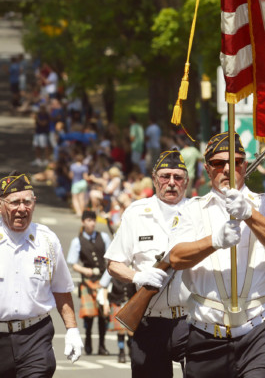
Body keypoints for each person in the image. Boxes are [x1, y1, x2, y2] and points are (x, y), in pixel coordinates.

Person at [168, 131, 265, 378]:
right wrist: (214, 241)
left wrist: (249, 213)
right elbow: (176, 257)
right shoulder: (191, 210)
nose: (228, 169)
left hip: (259, 330)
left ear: (245, 165)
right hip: (207, 334)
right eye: (219, 163)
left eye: (236, 162)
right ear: (207, 169)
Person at [105, 150, 191, 378]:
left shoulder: (199, 212)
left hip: (192, 320)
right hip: (149, 319)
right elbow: (114, 263)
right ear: (154, 179)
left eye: (178, 177)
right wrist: (137, 277)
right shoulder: (136, 213)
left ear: (187, 181)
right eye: (165, 176)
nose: (171, 183)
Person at [0, 171, 83, 377]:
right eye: (15, 202)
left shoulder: (47, 240)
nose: (22, 208)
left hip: (35, 337)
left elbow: (61, 288)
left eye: (27, 202)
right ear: (1, 204)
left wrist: (72, 330)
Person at [66, 210, 112, 356]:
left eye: (93, 220)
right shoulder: (77, 241)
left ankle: (102, 346)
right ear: (83, 222)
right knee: (89, 316)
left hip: (103, 281)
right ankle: (88, 343)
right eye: (89, 220)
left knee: (103, 315)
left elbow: (111, 256)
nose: (92, 223)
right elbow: (72, 262)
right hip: (88, 282)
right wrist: (86, 270)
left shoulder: (103, 237)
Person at [99, 271, 136, 363]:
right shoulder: (112, 269)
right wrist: (105, 304)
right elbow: (104, 286)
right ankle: (121, 352)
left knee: (131, 331)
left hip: (131, 302)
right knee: (121, 330)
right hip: (117, 302)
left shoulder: (133, 265)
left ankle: (131, 349)